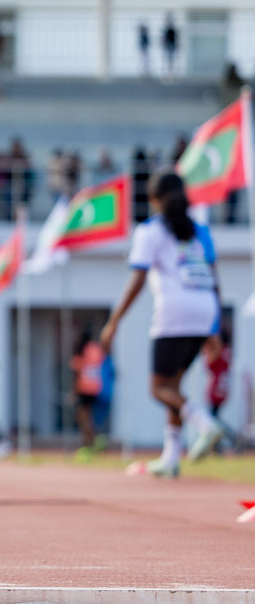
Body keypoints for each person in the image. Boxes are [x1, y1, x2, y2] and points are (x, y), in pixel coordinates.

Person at [99, 172, 224, 477]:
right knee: (174, 386)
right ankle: (171, 457)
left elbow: (138, 280)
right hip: (204, 309)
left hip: (174, 313)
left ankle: (204, 423)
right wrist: (215, 327)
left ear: (153, 199)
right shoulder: (200, 230)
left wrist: (114, 321)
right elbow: (215, 280)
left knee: (158, 388)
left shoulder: (150, 231)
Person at [72, 326, 107, 450]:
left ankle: (91, 442)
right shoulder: (96, 349)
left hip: (84, 388)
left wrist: (74, 391)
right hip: (95, 387)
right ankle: (90, 441)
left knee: (82, 417)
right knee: (88, 416)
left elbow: (78, 372)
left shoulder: (81, 349)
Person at [161, 14, 179, 78]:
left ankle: (171, 74)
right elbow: (164, 38)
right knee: (167, 61)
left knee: (171, 61)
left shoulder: (173, 30)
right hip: (168, 46)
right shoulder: (166, 30)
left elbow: (176, 38)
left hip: (171, 46)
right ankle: (166, 74)